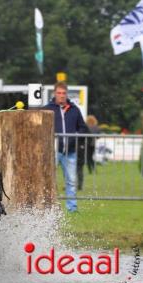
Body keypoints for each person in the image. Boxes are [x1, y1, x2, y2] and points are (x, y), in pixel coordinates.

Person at [44, 81, 88, 212]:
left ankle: (72, 208)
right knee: (49, 180)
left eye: (64, 93)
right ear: (54, 94)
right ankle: (48, 207)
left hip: (71, 152)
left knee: (71, 181)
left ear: (67, 94)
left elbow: (83, 128)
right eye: (59, 93)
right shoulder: (47, 109)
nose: (61, 95)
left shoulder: (74, 109)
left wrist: (74, 137)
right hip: (52, 151)